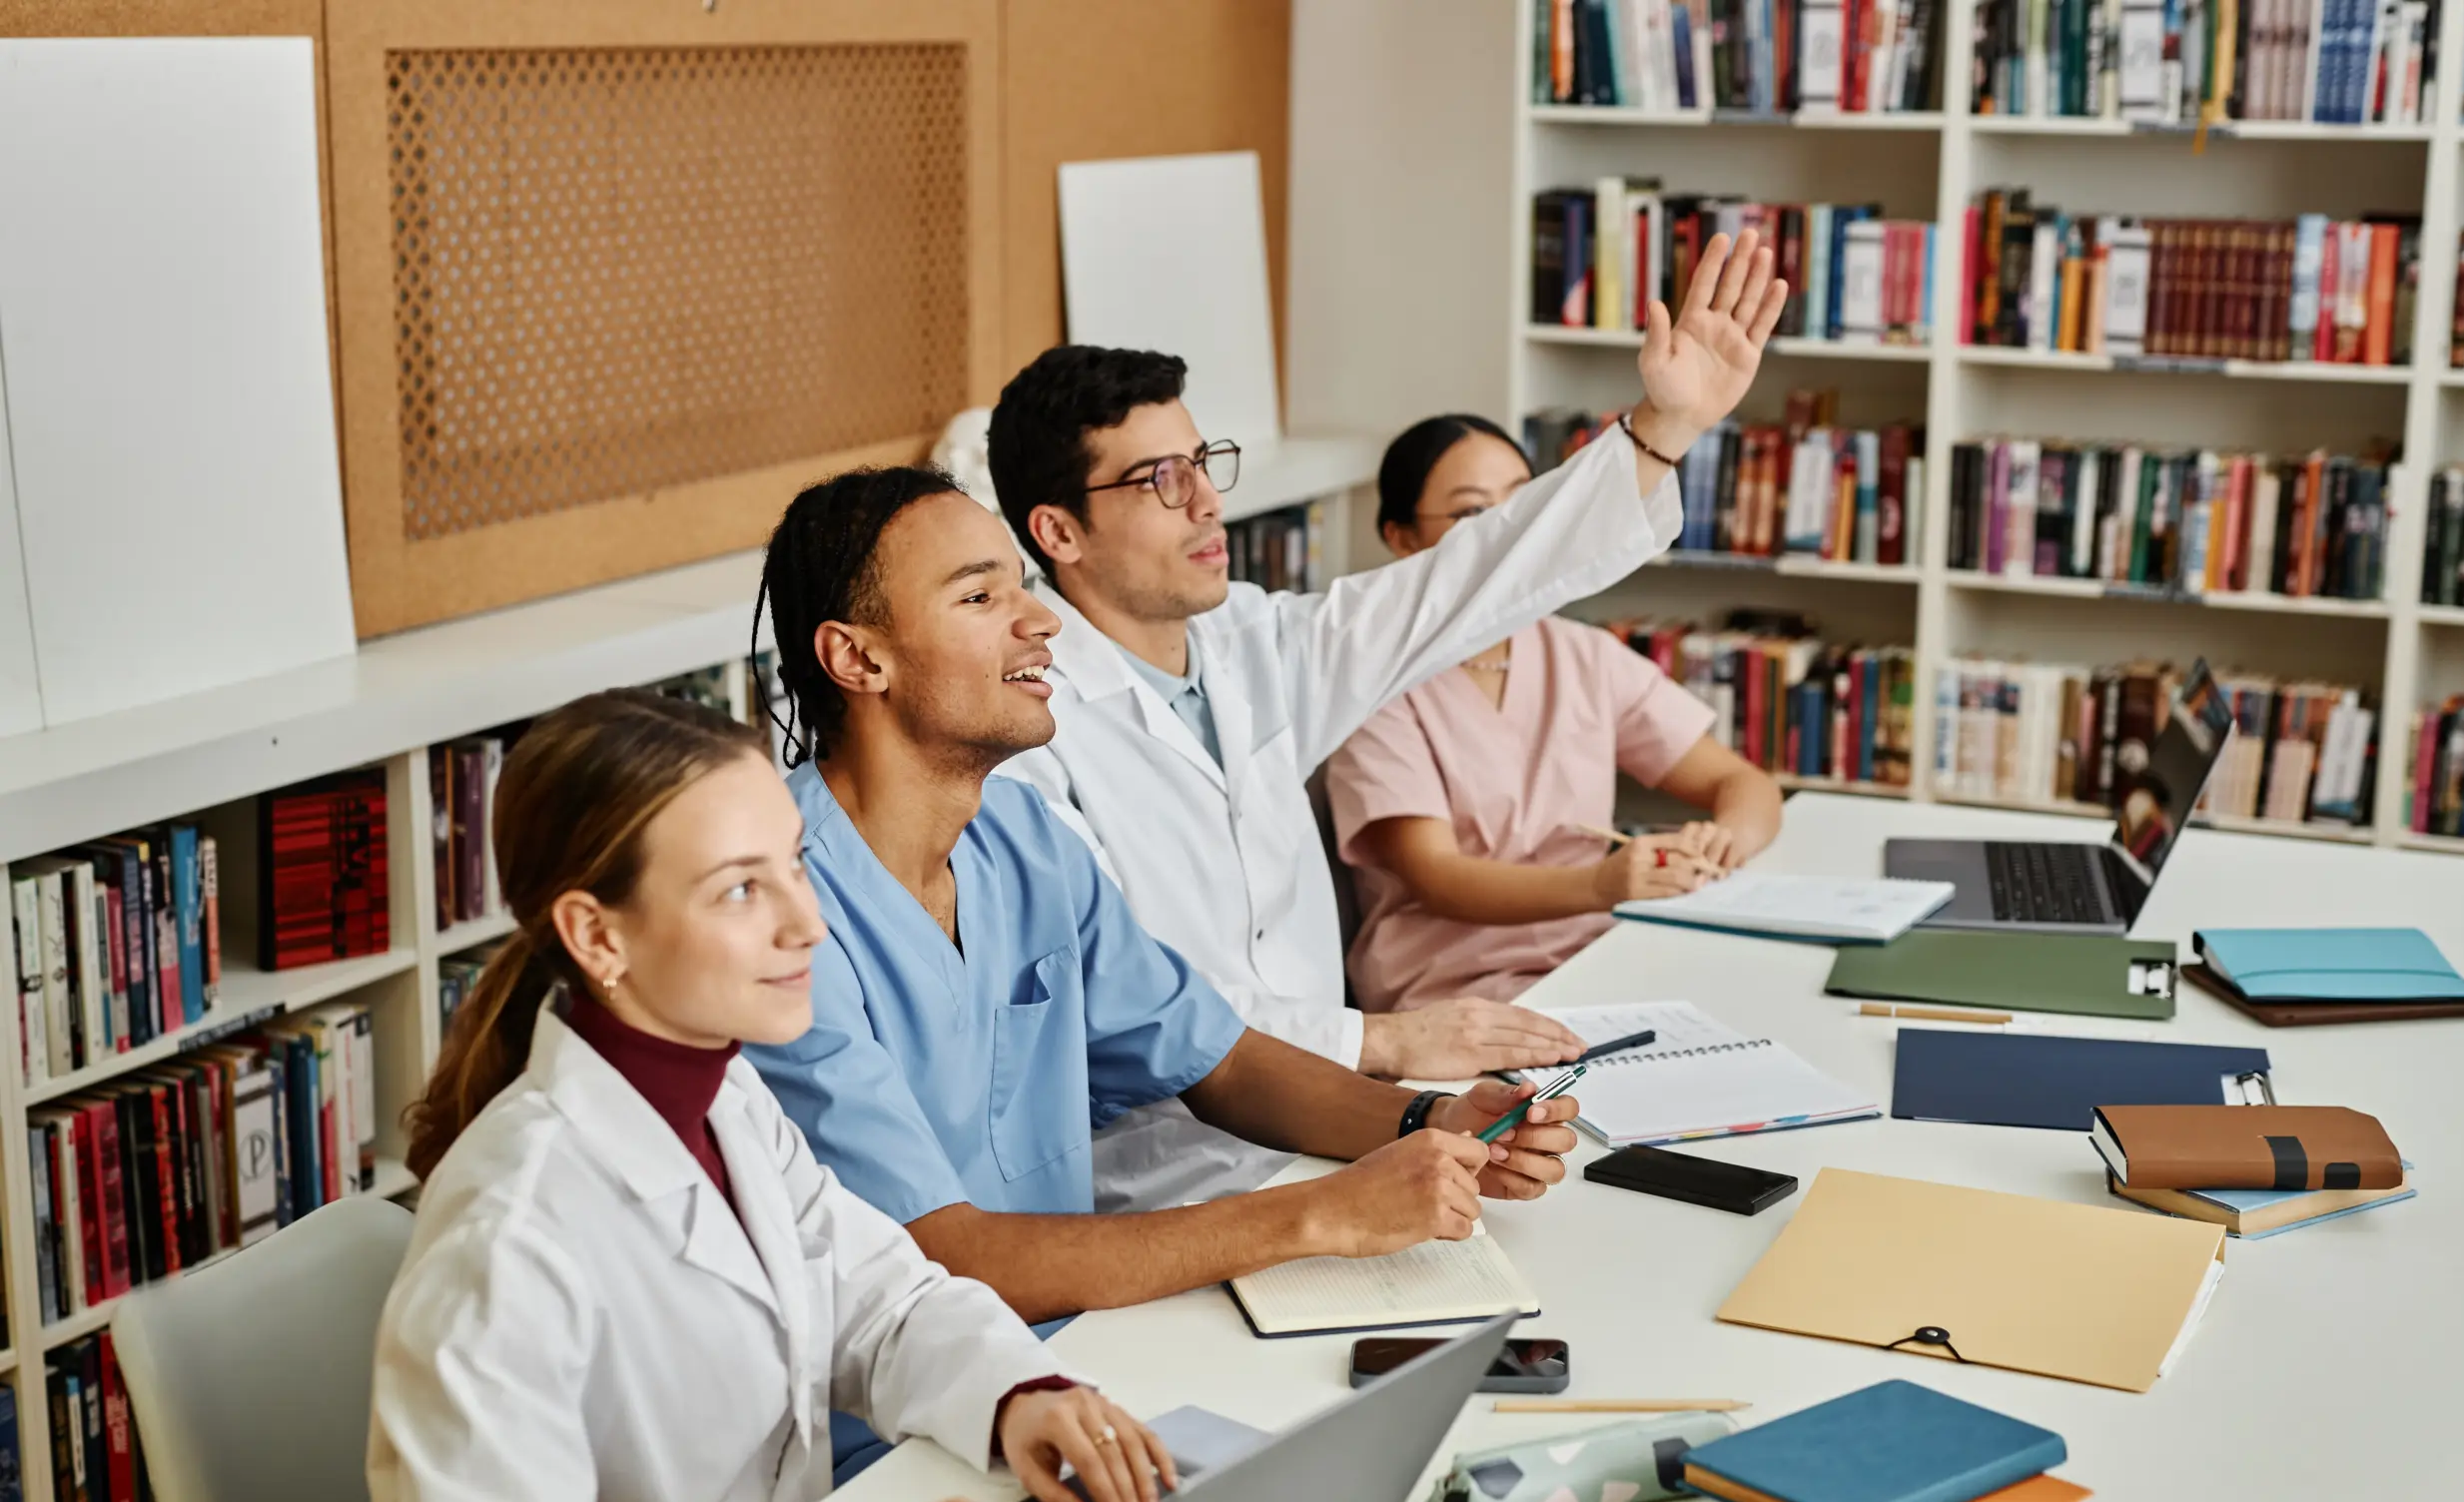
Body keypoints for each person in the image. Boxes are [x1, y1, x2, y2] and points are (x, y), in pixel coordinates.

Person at [353, 690, 1176, 1502]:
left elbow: (882, 1300)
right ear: (597, 937)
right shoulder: (511, 1229)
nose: (808, 922)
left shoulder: (725, 1091)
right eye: (741, 891)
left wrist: (1021, 1396)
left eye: (793, 862)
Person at [988, 229, 1789, 1211]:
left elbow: (1470, 577)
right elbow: (1121, 1001)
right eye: (1160, 479)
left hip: (1335, 1129)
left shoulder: (1255, 644)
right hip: (1166, 1180)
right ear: (1057, 531)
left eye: (1202, 462)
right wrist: (1375, 1040)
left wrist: (1659, 432)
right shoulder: (1022, 728)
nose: (1206, 503)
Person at [742, 467, 1582, 1329]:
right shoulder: (781, 911)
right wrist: (1320, 1213)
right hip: (904, 1417)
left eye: (1022, 586)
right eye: (980, 597)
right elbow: (941, 1254)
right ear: (857, 657)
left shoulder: (1021, 837)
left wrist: (1428, 1119)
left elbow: (1219, 1058)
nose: (1043, 622)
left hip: (1085, 1344)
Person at [1324, 415, 1786, 1013]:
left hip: (1596, 959)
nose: (1506, 532)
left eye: (1522, 504)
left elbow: (1742, 783)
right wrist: (1601, 885)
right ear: (1402, 538)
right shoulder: (1375, 684)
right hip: (1457, 989)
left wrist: (1723, 842)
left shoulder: (1579, 652)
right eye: (1470, 514)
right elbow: (1434, 876)